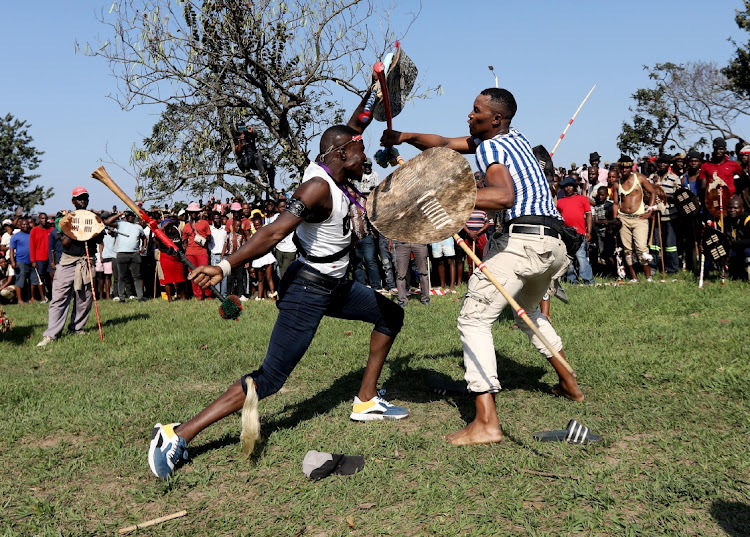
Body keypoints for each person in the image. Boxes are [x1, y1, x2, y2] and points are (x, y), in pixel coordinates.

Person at [148, 90, 408, 480]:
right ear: (340, 154)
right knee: (269, 378)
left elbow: (358, 122)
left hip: (333, 285)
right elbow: (272, 232)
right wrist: (226, 265)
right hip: (308, 289)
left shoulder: (337, 164)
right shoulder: (316, 188)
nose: (366, 158)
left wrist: (376, 84)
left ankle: (366, 400)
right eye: (360, 153)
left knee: (390, 314)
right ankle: (176, 435)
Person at [381, 87, 583, 445]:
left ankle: (486, 422)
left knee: (474, 318)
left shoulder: (490, 147)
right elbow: (442, 143)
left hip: (524, 242)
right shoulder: (513, 139)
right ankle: (569, 384)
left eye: (476, 111)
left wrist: (443, 195)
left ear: (496, 119)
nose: (469, 115)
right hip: (553, 245)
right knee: (529, 312)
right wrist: (406, 136)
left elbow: (503, 197)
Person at [37, 187, 104, 347]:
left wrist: (95, 226)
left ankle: (77, 328)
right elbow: (65, 242)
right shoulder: (64, 220)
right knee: (59, 298)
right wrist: (77, 226)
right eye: (79, 198)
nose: (83, 200)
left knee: (84, 298)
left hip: (86, 259)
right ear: (73, 201)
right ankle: (51, 334)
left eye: (85, 198)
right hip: (67, 261)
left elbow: (99, 238)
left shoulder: (94, 218)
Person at [616, 154, 657, 282]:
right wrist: (614, 220)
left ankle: (648, 277)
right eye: (622, 169)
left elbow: (653, 192)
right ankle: (634, 277)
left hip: (639, 218)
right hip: (623, 218)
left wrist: (649, 210)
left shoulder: (639, 178)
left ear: (631, 168)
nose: (624, 171)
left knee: (641, 248)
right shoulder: (617, 183)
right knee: (627, 250)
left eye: (627, 168)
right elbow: (616, 203)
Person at [556, 177, 595, 285]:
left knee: (581, 257)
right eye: (566, 186)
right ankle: (572, 281)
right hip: (566, 234)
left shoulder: (582, 199)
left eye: (570, 186)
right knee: (567, 259)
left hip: (579, 233)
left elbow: (588, 215)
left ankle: (588, 281)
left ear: (575, 187)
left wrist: (589, 231)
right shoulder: (560, 202)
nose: (568, 189)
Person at [648, 154, 681, 274]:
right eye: (660, 162)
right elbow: (647, 193)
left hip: (670, 215)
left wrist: (664, 195)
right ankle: (653, 266)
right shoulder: (652, 177)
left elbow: (679, 196)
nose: (662, 165)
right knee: (654, 243)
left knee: (670, 243)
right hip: (655, 216)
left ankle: (671, 268)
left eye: (665, 163)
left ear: (669, 165)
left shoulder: (674, 178)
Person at [105, 210, 146, 301]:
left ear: (134, 216)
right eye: (128, 215)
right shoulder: (120, 224)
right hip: (122, 253)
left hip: (134, 253)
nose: (130, 217)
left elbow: (144, 237)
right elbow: (107, 222)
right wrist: (119, 214)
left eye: (132, 215)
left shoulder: (138, 227)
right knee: (121, 276)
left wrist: (144, 248)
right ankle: (122, 297)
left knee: (137, 276)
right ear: (126, 217)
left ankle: (140, 296)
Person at [182, 202, 212, 300]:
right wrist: (186, 249)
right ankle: (198, 295)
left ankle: (208, 294)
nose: (193, 214)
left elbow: (209, 236)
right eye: (192, 212)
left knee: (204, 274)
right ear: (189, 213)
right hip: (190, 253)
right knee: (193, 275)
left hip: (202, 252)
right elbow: (184, 240)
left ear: (198, 212)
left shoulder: (204, 223)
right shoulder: (186, 226)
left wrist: (202, 240)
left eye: (195, 212)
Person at [393, 240, 430, 307]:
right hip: (402, 243)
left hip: (419, 241)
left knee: (423, 272)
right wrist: (390, 240)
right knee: (400, 274)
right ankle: (402, 300)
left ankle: (426, 299)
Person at [249, 214, 277, 300]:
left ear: (262, 224)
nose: (257, 226)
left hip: (267, 256)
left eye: (258, 224)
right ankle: (260, 297)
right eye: (255, 225)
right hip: (258, 258)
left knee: (269, 278)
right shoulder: (252, 236)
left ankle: (273, 296)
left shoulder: (266, 234)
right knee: (260, 279)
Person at [9, 218, 36, 304]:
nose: (25, 226)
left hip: (32, 261)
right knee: (20, 281)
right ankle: (20, 300)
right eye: (23, 224)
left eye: (27, 224)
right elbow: (11, 250)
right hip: (20, 261)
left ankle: (32, 298)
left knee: (33, 280)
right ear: (19, 226)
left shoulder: (32, 234)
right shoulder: (15, 236)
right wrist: (13, 262)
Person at [29, 212, 53, 301]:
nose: (44, 220)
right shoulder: (34, 230)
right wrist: (33, 260)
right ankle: (43, 298)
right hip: (39, 258)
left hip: (50, 258)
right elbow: (32, 246)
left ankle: (52, 295)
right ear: (39, 219)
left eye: (46, 218)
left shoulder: (51, 230)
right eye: (42, 218)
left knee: (51, 277)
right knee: (40, 278)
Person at [725, 196, 750, 279]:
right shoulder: (725, 219)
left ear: (742, 209)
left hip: (746, 248)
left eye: (735, 208)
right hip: (734, 249)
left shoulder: (748, 219)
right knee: (734, 275)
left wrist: (732, 243)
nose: (732, 210)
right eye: (730, 208)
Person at [272, 198, 298, 278]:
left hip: (290, 249)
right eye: (281, 207)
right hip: (279, 248)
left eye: (285, 206)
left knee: (285, 271)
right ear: (277, 208)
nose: (283, 209)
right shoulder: (276, 217)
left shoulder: (293, 218)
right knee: (280, 270)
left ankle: (283, 289)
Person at [207, 211, 228, 296]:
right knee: (215, 276)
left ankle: (224, 295)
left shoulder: (225, 229)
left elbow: (226, 242)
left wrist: (223, 255)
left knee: (224, 276)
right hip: (214, 256)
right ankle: (217, 295)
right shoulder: (210, 230)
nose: (218, 220)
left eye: (219, 218)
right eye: (215, 218)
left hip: (224, 256)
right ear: (212, 220)